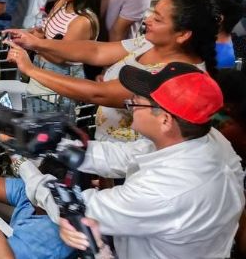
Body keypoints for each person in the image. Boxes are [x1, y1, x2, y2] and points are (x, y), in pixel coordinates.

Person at [34, 63, 244, 259]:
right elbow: (124, 155)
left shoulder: (164, 190)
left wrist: (24, 167)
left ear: (164, 120)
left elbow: (78, 209)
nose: (131, 104)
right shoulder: (208, 138)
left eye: (139, 100)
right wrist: (53, 143)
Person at [6, 0, 218, 143]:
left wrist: (31, 70)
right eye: (153, 12)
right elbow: (96, 51)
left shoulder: (177, 76)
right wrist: (37, 43)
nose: (148, 20)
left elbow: (99, 94)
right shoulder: (150, 41)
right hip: (108, 145)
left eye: (158, 19)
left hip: (130, 159)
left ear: (183, 35)